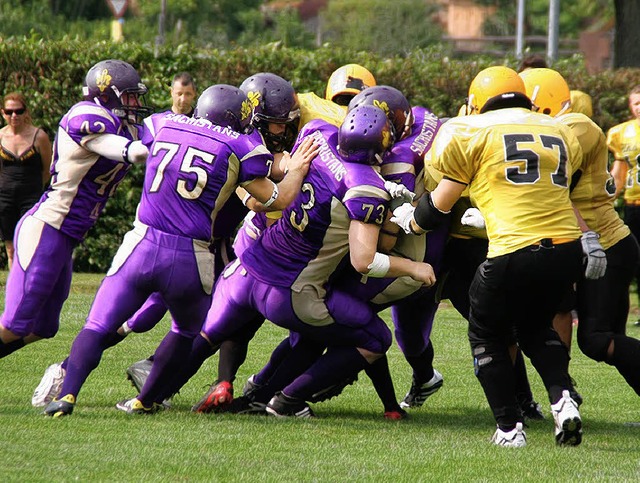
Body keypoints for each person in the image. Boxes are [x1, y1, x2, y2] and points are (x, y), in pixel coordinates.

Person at [43, 84, 318, 417]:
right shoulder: (240, 146)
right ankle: (146, 398)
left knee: (102, 322)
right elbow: (273, 197)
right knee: (187, 331)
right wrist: (299, 168)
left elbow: (136, 145)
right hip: (193, 254)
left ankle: (68, 393)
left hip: (142, 242)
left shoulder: (164, 123)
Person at [391, 66, 586, 447]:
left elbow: (439, 206)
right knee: (533, 327)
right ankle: (563, 400)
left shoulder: (472, 131)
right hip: (567, 250)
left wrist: (411, 222)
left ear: (476, 101)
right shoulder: (559, 130)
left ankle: (509, 429)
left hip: (513, 248)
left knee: (486, 333)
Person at [0, 59, 151, 359]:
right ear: (107, 96)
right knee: (16, 324)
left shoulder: (126, 128)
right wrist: (134, 149)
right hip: (47, 228)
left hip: (66, 236)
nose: (135, 104)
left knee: (44, 327)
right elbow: (126, 151)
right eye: (129, 97)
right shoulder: (87, 116)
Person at [522, 68, 640, 400]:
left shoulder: (578, 126)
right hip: (581, 241)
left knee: (597, 339)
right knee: (590, 329)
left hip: (605, 242)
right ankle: (562, 390)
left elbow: (556, 190)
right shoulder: (551, 128)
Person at [0, 92, 52, 270]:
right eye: (9, 111)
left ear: (26, 112)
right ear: (3, 113)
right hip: (5, 198)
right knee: (10, 248)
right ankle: (13, 290)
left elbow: (47, 170)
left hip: (31, 197)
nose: (14, 115)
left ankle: (30, 282)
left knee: (29, 244)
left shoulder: (39, 137)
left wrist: (37, 191)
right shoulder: (0, 137)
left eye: (19, 111)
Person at [607, 85, 640, 325]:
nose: (639, 107)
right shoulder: (621, 132)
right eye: (635, 103)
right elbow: (619, 173)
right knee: (634, 259)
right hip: (632, 202)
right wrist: (605, 200)